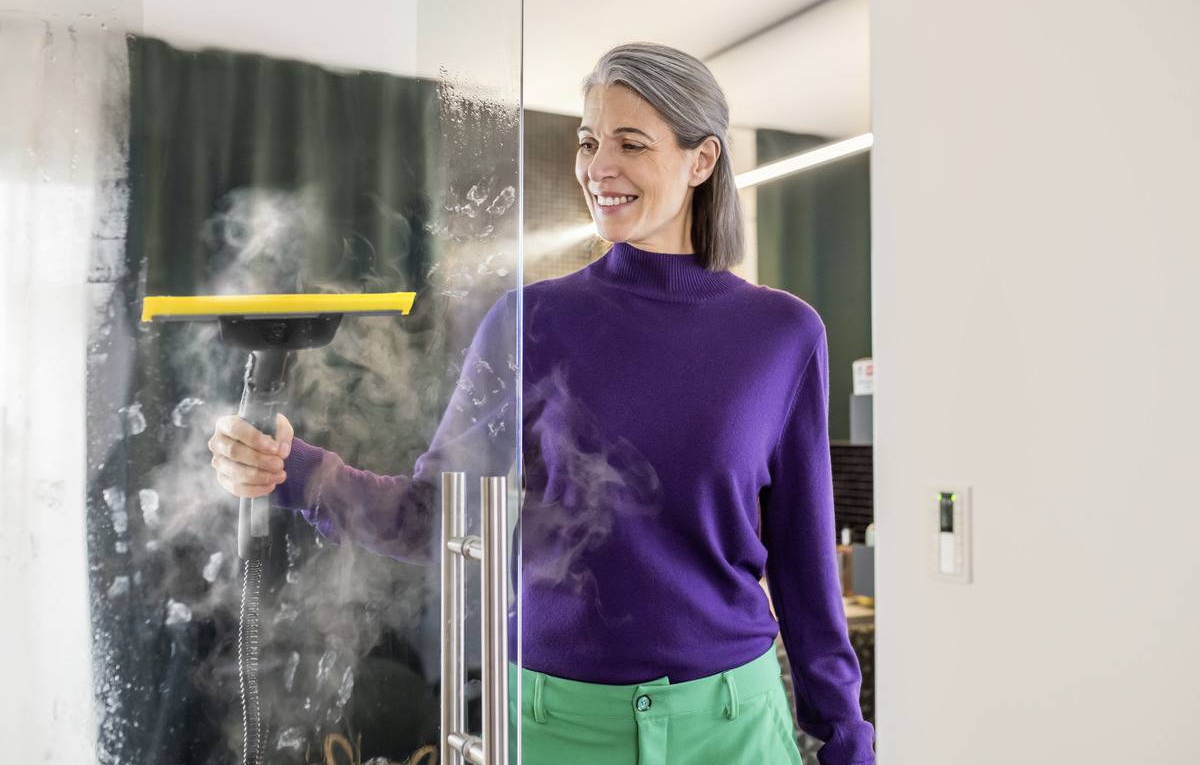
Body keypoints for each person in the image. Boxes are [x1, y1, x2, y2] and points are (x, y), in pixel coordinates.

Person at [208, 42, 876, 765]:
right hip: (556, 727)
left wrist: (847, 741)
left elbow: (807, 573)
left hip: (732, 727)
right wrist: (295, 471)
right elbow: (438, 515)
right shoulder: (531, 322)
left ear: (702, 161)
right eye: (589, 142)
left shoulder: (783, 335)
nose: (598, 167)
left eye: (631, 143)